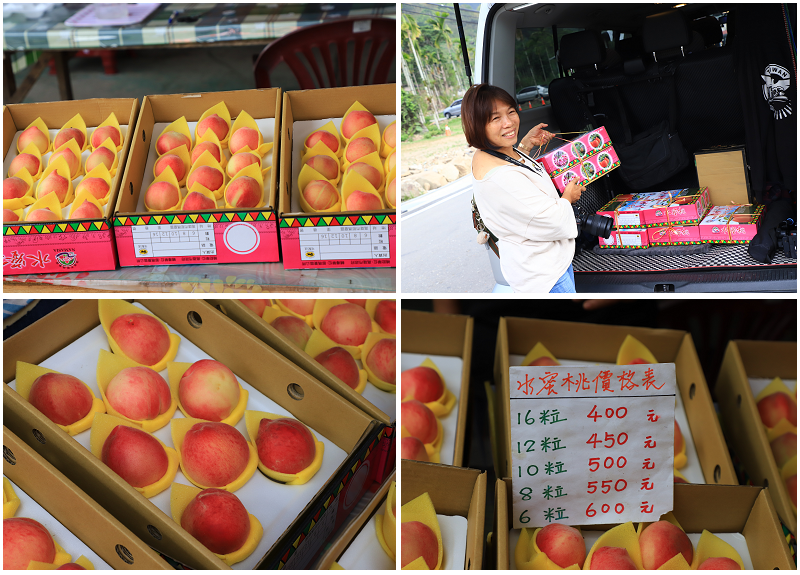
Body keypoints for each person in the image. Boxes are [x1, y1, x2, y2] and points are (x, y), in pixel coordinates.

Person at [463, 83, 586, 293]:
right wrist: (568, 197)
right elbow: (549, 220)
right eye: (495, 118)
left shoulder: (489, 154)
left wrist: (525, 146)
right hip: (545, 275)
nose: (508, 122)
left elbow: (514, 171)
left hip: (547, 262)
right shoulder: (500, 178)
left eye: (511, 112)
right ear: (477, 124)